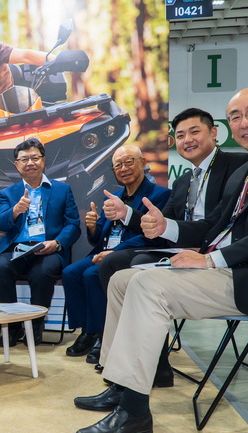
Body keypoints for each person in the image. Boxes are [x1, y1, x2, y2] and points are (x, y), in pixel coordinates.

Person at [73, 87, 248, 433]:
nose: (244, 123)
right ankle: (121, 385)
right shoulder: (244, 172)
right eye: (235, 116)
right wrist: (165, 227)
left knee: (147, 285)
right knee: (121, 279)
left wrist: (211, 259)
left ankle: (134, 414)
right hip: (221, 270)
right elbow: (212, 227)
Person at [90, 108, 247, 372]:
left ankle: (154, 363)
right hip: (180, 250)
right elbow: (163, 223)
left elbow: (221, 222)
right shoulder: (183, 180)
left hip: (217, 255)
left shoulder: (239, 167)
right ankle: (130, 356)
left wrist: (190, 240)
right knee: (112, 264)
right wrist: (127, 213)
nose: (187, 140)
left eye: (194, 132)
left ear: (214, 133)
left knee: (139, 265)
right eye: (181, 135)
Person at [62, 145, 170, 364]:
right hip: (105, 252)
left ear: (142, 162)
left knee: (92, 275)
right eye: (118, 165)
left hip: (133, 254)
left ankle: (104, 335)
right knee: (70, 273)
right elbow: (98, 238)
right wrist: (92, 227)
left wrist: (114, 252)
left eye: (129, 162)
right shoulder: (114, 196)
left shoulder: (160, 195)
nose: (124, 168)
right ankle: (88, 330)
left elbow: (154, 237)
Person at [0, 137, 81, 345]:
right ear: (17, 165)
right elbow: (2, 224)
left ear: (43, 161)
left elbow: (73, 225)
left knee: (42, 272)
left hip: (48, 248)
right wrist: (15, 210)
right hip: (17, 248)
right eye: (24, 159)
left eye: (34, 158)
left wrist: (57, 243)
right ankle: (11, 325)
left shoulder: (62, 189)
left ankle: (36, 324)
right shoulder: (8, 193)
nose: (30, 163)